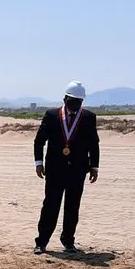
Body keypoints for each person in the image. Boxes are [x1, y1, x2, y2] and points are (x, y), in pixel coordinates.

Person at [33, 81, 100, 254]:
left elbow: (94, 143)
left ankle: (68, 241)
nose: (75, 104)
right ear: (64, 98)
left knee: (72, 206)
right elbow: (39, 141)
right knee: (50, 206)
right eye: (72, 100)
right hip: (55, 170)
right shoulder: (52, 115)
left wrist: (94, 166)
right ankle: (41, 242)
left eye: (78, 101)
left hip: (78, 171)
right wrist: (38, 163)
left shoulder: (88, 117)